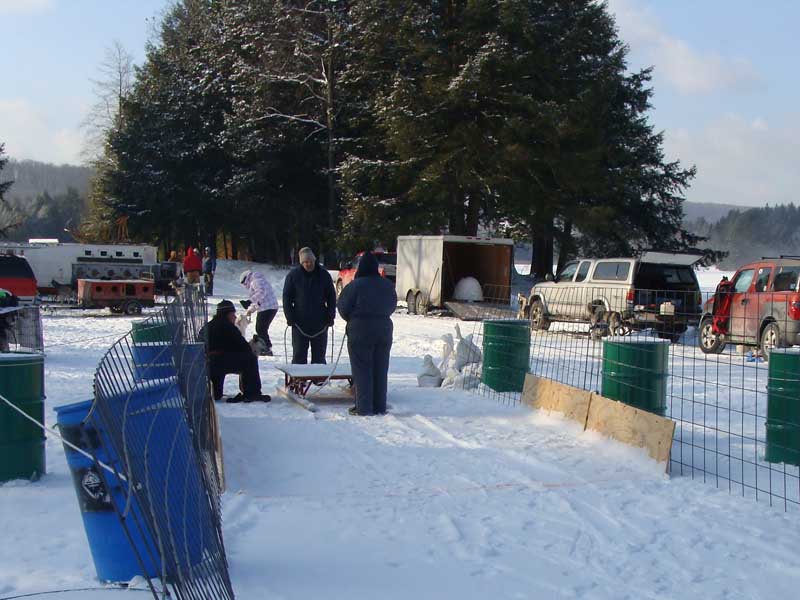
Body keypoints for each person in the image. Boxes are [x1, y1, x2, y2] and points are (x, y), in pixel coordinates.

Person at [337, 252, 395, 416]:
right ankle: (379, 406)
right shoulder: (387, 285)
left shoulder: (354, 286)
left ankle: (363, 407)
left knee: (362, 369)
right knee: (380, 369)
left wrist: (353, 319)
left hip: (360, 330)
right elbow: (392, 305)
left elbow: (342, 307)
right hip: (384, 330)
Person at [205, 299, 270, 403]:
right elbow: (244, 347)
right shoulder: (228, 326)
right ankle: (252, 393)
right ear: (227, 314)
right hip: (220, 361)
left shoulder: (208, 325)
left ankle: (215, 392)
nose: (235, 317)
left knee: (216, 395)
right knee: (250, 359)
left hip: (208, 364)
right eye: (233, 314)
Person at [283, 247, 336, 364]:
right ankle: (299, 382)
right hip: (299, 323)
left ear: (314, 261)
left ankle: (319, 381)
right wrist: (289, 317)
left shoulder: (324, 275)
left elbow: (331, 297)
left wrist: (330, 315)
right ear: (301, 263)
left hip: (320, 322)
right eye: (306, 262)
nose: (309, 264)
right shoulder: (293, 276)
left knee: (319, 356)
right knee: (299, 355)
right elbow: (287, 298)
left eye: (311, 261)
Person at [240, 270, 278, 356]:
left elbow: (261, 293)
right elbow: (260, 300)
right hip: (270, 307)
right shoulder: (258, 280)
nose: (244, 286)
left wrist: (249, 301)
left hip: (267, 308)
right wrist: (250, 310)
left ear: (246, 279)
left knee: (260, 328)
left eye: (243, 283)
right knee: (261, 328)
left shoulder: (255, 281)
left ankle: (266, 348)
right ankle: (266, 347)